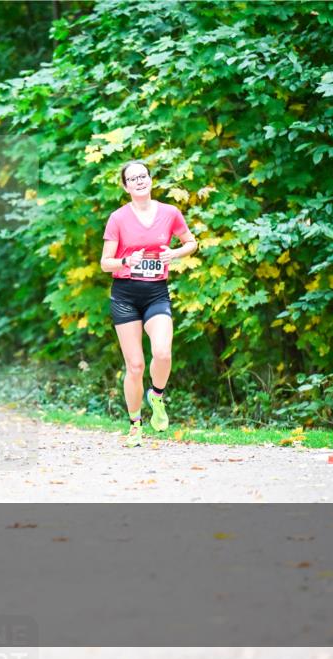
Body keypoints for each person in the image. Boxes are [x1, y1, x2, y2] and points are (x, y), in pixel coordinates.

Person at [99, 160, 197, 447]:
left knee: (163, 353)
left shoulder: (170, 213)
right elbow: (105, 263)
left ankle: (157, 394)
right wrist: (128, 260)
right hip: (125, 295)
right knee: (135, 365)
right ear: (125, 186)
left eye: (143, 176)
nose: (140, 181)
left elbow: (191, 242)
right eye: (133, 178)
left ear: (151, 180)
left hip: (156, 292)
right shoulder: (118, 218)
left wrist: (174, 254)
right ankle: (135, 426)